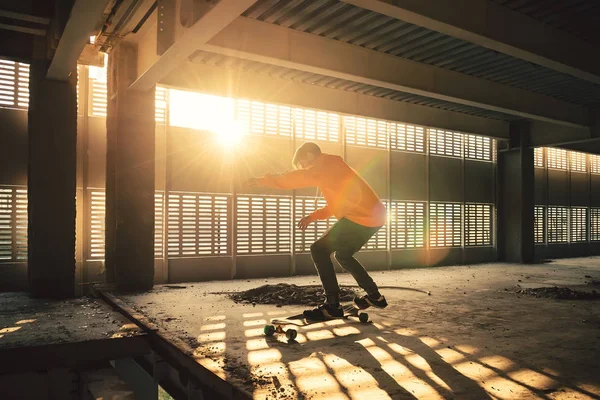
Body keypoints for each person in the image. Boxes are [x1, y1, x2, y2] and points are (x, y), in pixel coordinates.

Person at [247, 142, 388, 320]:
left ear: (309, 156)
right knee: (343, 255)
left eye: (303, 164)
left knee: (319, 250)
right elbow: (335, 206)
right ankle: (375, 296)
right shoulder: (335, 170)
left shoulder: (326, 165)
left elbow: (294, 178)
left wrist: (264, 180)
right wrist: (312, 216)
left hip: (361, 217)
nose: (304, 168)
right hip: (374, 218)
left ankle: (332, 305)